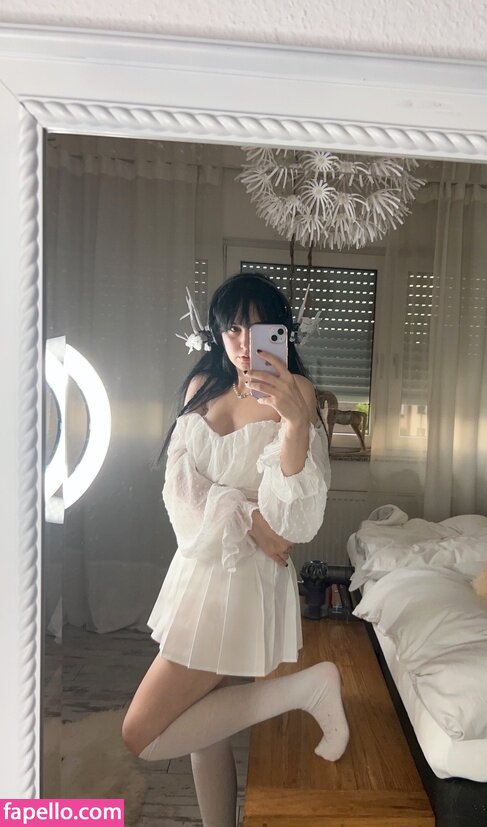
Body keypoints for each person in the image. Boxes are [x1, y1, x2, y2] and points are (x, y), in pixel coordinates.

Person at [122, 272, 349, 826]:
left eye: (259, 328)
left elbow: (291, 522)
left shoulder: (296, 394)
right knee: (206, 734)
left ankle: (308, 690)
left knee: (140, 734)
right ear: (218, 333)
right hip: (199, 567)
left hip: (242, 579)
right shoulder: (202, 385)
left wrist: (294, 423)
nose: (245, 344)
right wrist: (244, 514)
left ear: (283, 332)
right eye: (233, 329)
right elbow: (179, 486)